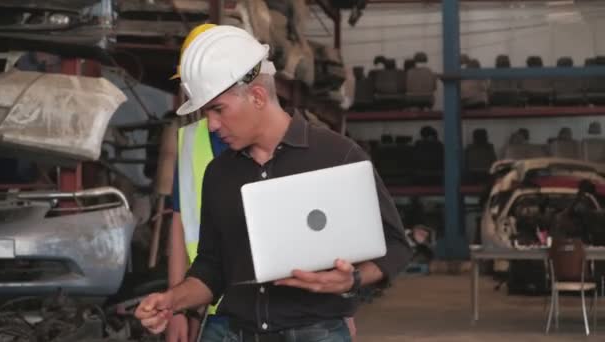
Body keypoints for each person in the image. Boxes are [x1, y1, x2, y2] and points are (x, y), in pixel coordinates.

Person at [135, 24, 412, 342]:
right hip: (233, 331)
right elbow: (212, 267)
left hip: (315, 332)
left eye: (217, 110)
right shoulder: (219, 174)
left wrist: (353, 280)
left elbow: (394, 245)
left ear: (256, 96)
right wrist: (173, 301)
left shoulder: (336, 154)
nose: (211, 125)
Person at [166, 23, 229, 342]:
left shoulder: (266, 137)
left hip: (274, 309)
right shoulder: (190, 141)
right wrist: (177, 308)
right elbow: (179, 225)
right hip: (211, 306)